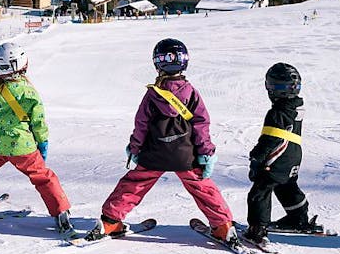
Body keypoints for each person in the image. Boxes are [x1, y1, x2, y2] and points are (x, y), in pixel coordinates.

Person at [88, 38, 235, 243]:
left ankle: (110, 222)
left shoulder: (152, 94)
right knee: (202, 187)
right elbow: (201, 124)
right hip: (185, 154)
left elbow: (141, 124)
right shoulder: (191, 92)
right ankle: (222, 227)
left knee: (134, 184)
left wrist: (135, 148)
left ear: (157, 63)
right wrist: (206, 152)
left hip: (154, 153)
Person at [0, 42, 74, 236]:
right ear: (24, 64)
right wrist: (42, 143)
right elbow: (38, 122)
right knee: (43, 177)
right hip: (23, 146)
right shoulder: (29, 92)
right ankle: (60, 212)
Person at [244, 63, 317, 244]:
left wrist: (257, 157)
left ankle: (257, 229)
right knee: (286, 185)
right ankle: (298, 217)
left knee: (260, 190)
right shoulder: (295, 108)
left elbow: (270, 139)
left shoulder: (277, 112)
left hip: (279, 156)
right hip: (294, 154)